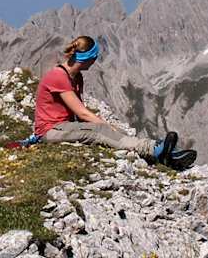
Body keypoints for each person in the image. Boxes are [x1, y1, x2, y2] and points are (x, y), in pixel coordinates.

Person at [29, 35, 197, 170]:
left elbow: (78, 113)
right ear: (89, 58)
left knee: (110, 132)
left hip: (63, 126)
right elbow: (81, 113)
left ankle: (168, 154)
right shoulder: (58, 76)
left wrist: (108, 128)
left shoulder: (76, 77)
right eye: (95, 57)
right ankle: (154, 150)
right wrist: (106, 126)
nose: (96, 61)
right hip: (50, 131)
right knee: (99, 131)